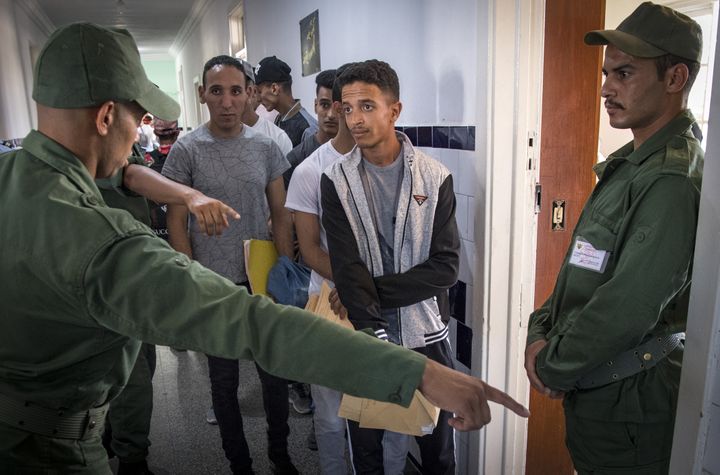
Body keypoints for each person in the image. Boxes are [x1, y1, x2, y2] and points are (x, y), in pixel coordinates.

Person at [0, 22, 528, 474]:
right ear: (105, 117)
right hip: (48, 448)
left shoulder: (13, 176)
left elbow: (134, 178)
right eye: (138, 118)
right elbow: (255, 325)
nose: (140, 132)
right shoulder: (104, 241)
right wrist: (421, 373)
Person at [524, 3, 703, 474]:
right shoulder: (633, 162)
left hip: (631, 409)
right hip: (601, 395)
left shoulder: (671, 179)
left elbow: (628, 305)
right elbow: (580, 271)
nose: (605, 88)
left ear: (675, 77)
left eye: (624, 73)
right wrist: (539, 328)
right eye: (606, 73)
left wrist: (550, 365)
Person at [321, 60, 460, 474]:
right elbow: (346, 265)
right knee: (366, 445)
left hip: (426, 331)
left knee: (437, 447)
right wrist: (368, 316)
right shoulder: (336, 181)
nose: (354, 119)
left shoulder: (435, 178)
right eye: (347, 109)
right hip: (367, 333)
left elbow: (446, 268)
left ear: (394, 110)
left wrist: (364, 292)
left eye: (366, 106)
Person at [162, 54, 299, 474]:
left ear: (249, 95)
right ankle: (239, 461)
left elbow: (280, 213)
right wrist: (189, 279)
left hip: (262, 282)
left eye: (236, 91)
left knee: (275, 377)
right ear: (203, 94)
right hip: (212, 284)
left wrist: (286, 273)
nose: (226, 101)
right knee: (223, 382)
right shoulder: (188, 149)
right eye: (217, 91)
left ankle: (280, 454)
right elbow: (176, 220)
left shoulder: (266, 147)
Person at [98, 144, 236, 475]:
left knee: (137, 363)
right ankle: (129, 457)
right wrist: (189, 196)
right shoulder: (88, 153)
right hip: (108, 283)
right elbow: (131, 175)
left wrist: (189, 196)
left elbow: (132, 172)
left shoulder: (115, 145)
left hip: (129, 282)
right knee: (131, 375)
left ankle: (114, 438)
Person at [285, 63, 355, 474]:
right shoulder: (311, 169)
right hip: (327, 297)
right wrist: (353, 284)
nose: (334, 115)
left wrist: (367, 290)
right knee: (330, 412)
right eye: (326, 105)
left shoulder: (383, 162)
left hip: (373, 299)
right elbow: (308, 249)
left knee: (379, 408)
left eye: (340, 105)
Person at [254, 56, 318, 147]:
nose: (258, 99)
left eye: (260, 92)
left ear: (274, 89)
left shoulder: (308, 129)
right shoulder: (279, 119)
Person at [239, 60, 293, 156]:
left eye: (235, 90)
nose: (227, 99)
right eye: (218, 91)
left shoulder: (277, 137)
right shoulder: (209, 139)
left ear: (251, 91)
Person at [145, 118, 181, 240]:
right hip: (184, 230)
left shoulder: (145, 162)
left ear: (155, 133)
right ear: (177, 132)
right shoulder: (188, 158)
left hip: (155, 234)